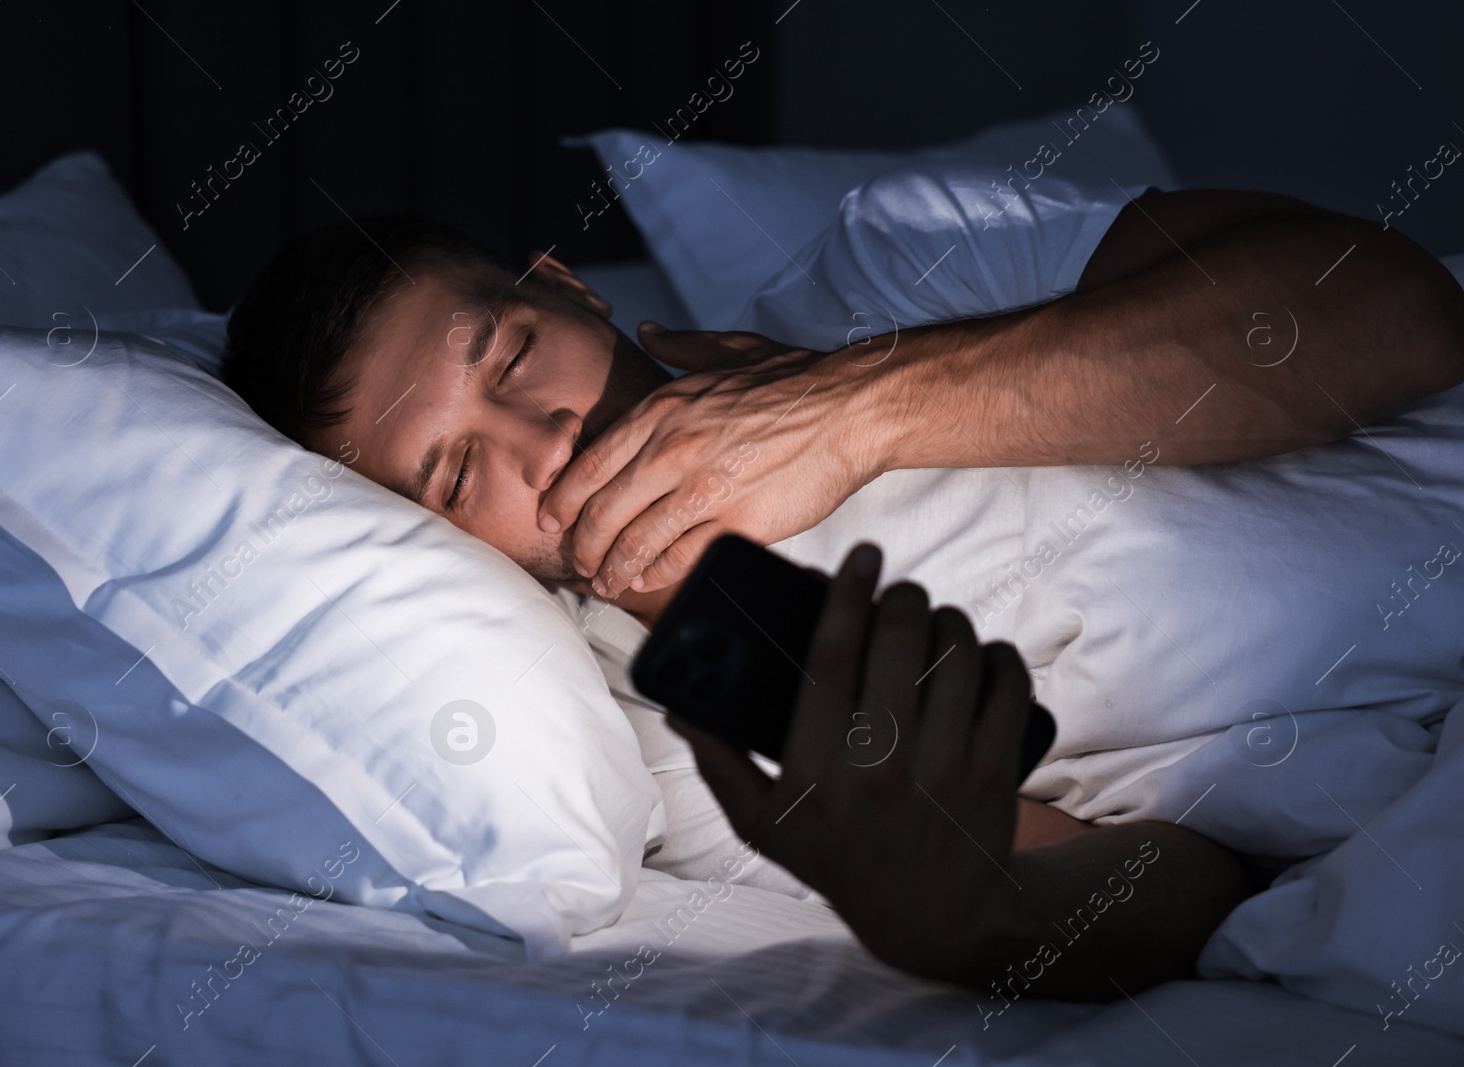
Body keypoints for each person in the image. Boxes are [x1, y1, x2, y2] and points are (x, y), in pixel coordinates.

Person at [220, 183, 1464, 997]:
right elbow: (1189, 894)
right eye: (454, 475)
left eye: (513, 355)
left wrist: (854, 409)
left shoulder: (890, 263)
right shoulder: (668, 745)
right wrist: (969, 910)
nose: (539, 438)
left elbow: (1395, 316)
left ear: (571, 286)